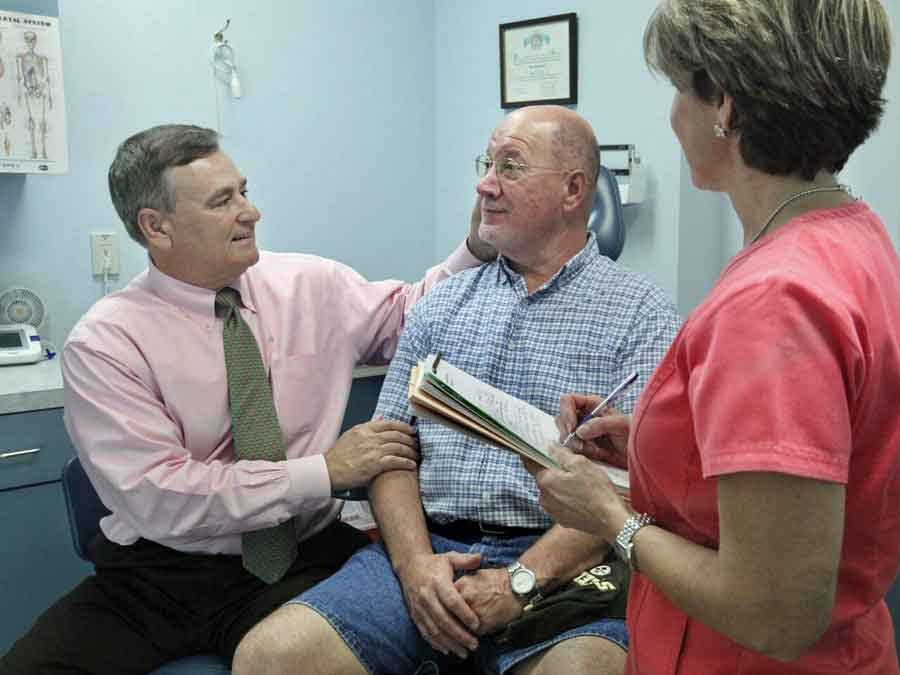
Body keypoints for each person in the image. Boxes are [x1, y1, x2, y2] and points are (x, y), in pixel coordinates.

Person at [0, 123, 495, 674]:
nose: (250, 211)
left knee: (354, 653)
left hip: (303, 555)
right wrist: (324, 471)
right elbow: (165, 495)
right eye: (223, 201)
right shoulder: (107, 342)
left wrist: (476, 248)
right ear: (155, 228)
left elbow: (413, 316)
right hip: (162, 574)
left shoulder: (311, 284)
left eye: (243, 190)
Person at [232, 105, 681, 675]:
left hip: (567, 560)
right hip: (432, 546)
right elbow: (390, 453)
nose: (485, 183)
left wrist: (521, 580)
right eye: (487, 162)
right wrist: (417, 568)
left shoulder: (642, 314)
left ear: (573, 191)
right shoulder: (443, 304)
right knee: (269, 657)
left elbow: (635, 489)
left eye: (511, 167)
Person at [527, 2, 900, 674]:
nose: (673, 115)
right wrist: (651, 439)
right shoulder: (852, 235)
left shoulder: (775, 299)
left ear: (724, 104)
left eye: (678, 87)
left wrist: (609, 517)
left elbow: (776, 609)